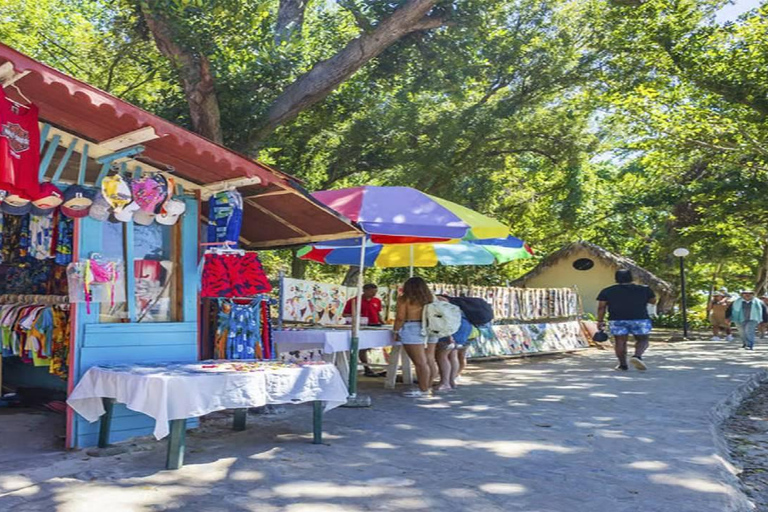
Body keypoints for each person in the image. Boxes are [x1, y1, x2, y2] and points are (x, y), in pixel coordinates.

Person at [596, 269, 657, 371]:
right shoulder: (644, 289)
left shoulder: (607, 291)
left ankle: (622, 365)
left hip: (617, 319)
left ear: (616, 278)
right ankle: (637, 356)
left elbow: (601, 307)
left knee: (620, 341)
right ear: (631, 277)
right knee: (643, 339)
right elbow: (653, 301)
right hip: (640, 318)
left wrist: (600, 321)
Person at [393, 277, 435, 397]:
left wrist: (396, 331)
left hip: (412, 327)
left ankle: (423, 390)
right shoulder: (429, 298)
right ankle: (427, 387)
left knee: (420, 362)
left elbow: (400, 317)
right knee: (428, 360)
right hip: (429, 327)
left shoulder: (404, 299)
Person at [343, 283, 384, 377]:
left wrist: (383, 323)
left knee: (369, 347)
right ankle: (367, 368)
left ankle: (369, 367)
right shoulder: (354, 301)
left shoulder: (377, 301)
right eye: (372, 292)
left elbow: (378, 313)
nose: (374, 294)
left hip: (374, 326)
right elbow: (344, 314)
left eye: (375, 292)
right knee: (363, 347)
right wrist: (356, 315)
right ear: (365, 290)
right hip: (360, 327)